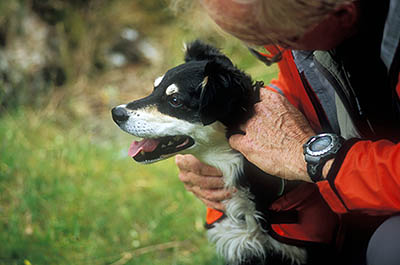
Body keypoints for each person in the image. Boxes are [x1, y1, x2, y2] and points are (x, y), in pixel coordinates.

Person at [174, 0, 400, 264]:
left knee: (390, 246)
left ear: (343, 14)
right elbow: (306, 85)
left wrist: (322, 159)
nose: (278, 50)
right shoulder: (306, 29)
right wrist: (222, 137)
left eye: (276, 40)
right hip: (354, 212)